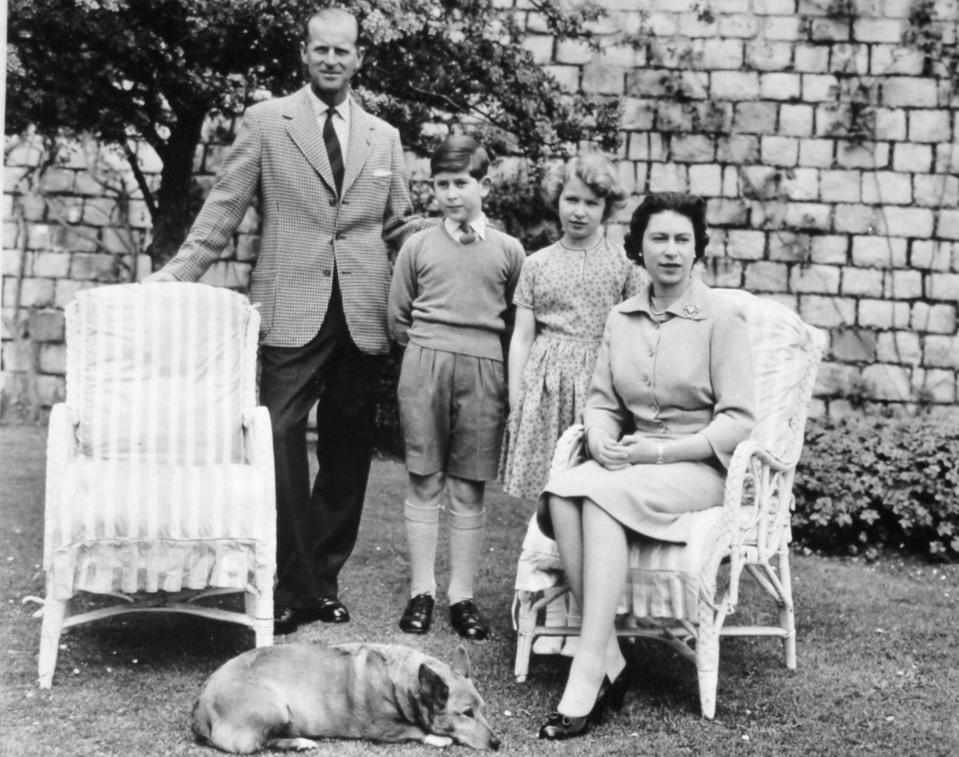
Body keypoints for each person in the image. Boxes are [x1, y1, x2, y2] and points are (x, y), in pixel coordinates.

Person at [145, 7, 426, 635]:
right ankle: (293, 582)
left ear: (359, 59)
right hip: (290, 307)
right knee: (277, 439)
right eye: (321, 50)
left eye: (343, 52)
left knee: (350, 449)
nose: (332, 60)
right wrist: (175, 275)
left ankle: (320, 582)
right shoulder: (268, 122)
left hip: (364, 312)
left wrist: (453, 234)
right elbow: (226, 205)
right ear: (304, 53)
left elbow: (399, 225)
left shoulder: (383, 137)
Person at [534, 192, 756, 740]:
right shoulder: (622, 317)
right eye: (659, 238)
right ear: (639, 248)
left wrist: (659, 451)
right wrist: (604, 438)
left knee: (603, 499)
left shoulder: (722, 319)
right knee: (564, 492)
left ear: (698, 249)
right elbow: (602, 401)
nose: (671, 251)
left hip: (697, 466)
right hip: (633, 462)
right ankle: (609, 653)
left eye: (683, 239)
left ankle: (588, 671)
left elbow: (737, 421)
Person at [388, 135, 525, 640]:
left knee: (468, 485)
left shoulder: (509, 251)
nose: (450, 194)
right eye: (441, 184)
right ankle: (421, 590)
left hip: (485, 369)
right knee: (425, 478)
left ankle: (461, 595)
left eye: (461, 183)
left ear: (483, 185)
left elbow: (518, 320)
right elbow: (398, 316)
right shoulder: (418, 244)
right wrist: (430, 350)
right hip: (425, 364)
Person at [500, 152, 645, 500]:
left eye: (591, 203)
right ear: (557, 201)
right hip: (546, 382)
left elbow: (636, 333)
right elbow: (522, 335)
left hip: (598, 380)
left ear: (606, 209)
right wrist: (516, 394)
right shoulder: (536, 264)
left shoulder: (622, 266)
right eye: (572, 200)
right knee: (546, 484)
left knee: (592, 481)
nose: (579, 211)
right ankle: (543, 550)